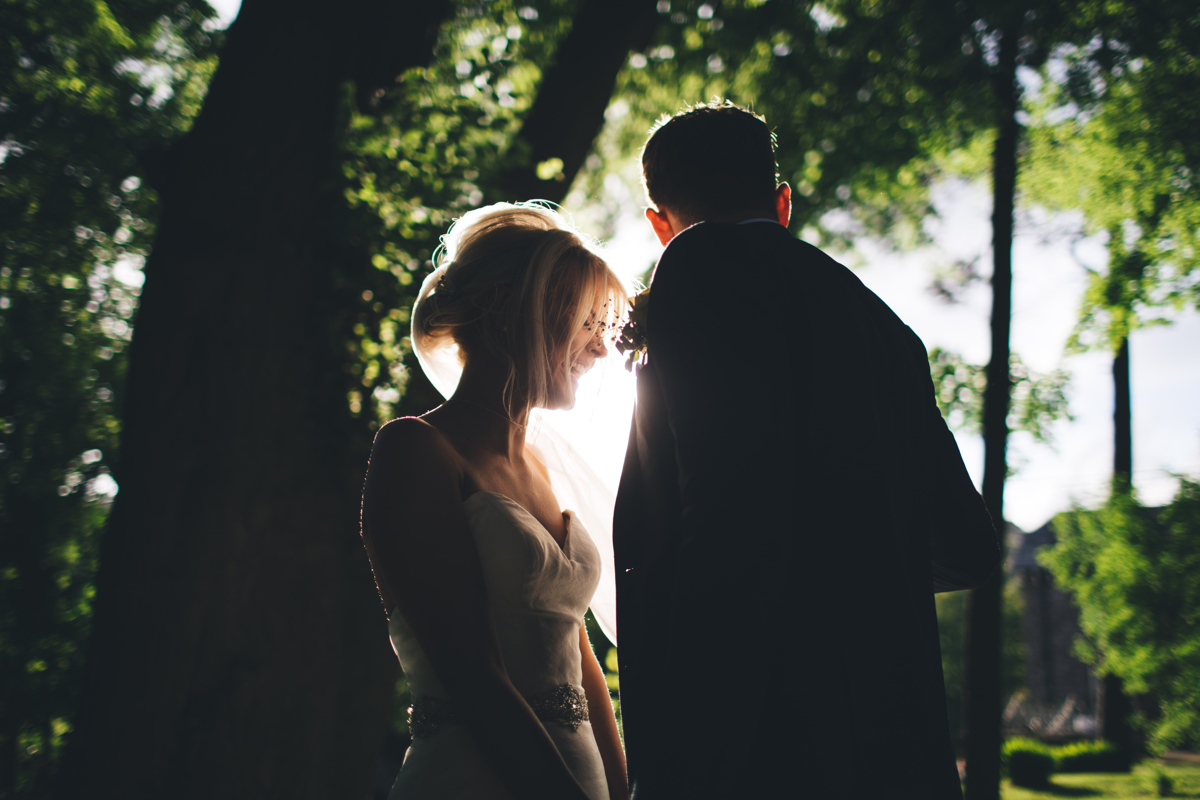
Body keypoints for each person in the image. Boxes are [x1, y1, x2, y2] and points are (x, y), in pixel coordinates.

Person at [613, 102, 1000, 799]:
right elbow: (969, 545)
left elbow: (727, 508)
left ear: (659, 225)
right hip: (898, 739)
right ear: (782, 201)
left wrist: (685, 753)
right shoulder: (887, 329)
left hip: (766, 735)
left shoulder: (699, 262)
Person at [360, 203, 629, 800]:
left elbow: (578, 658)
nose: (600, 350)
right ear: (514, 314)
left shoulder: (545, 467)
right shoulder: (416, 450)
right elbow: (473, 673)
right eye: (585, 323)